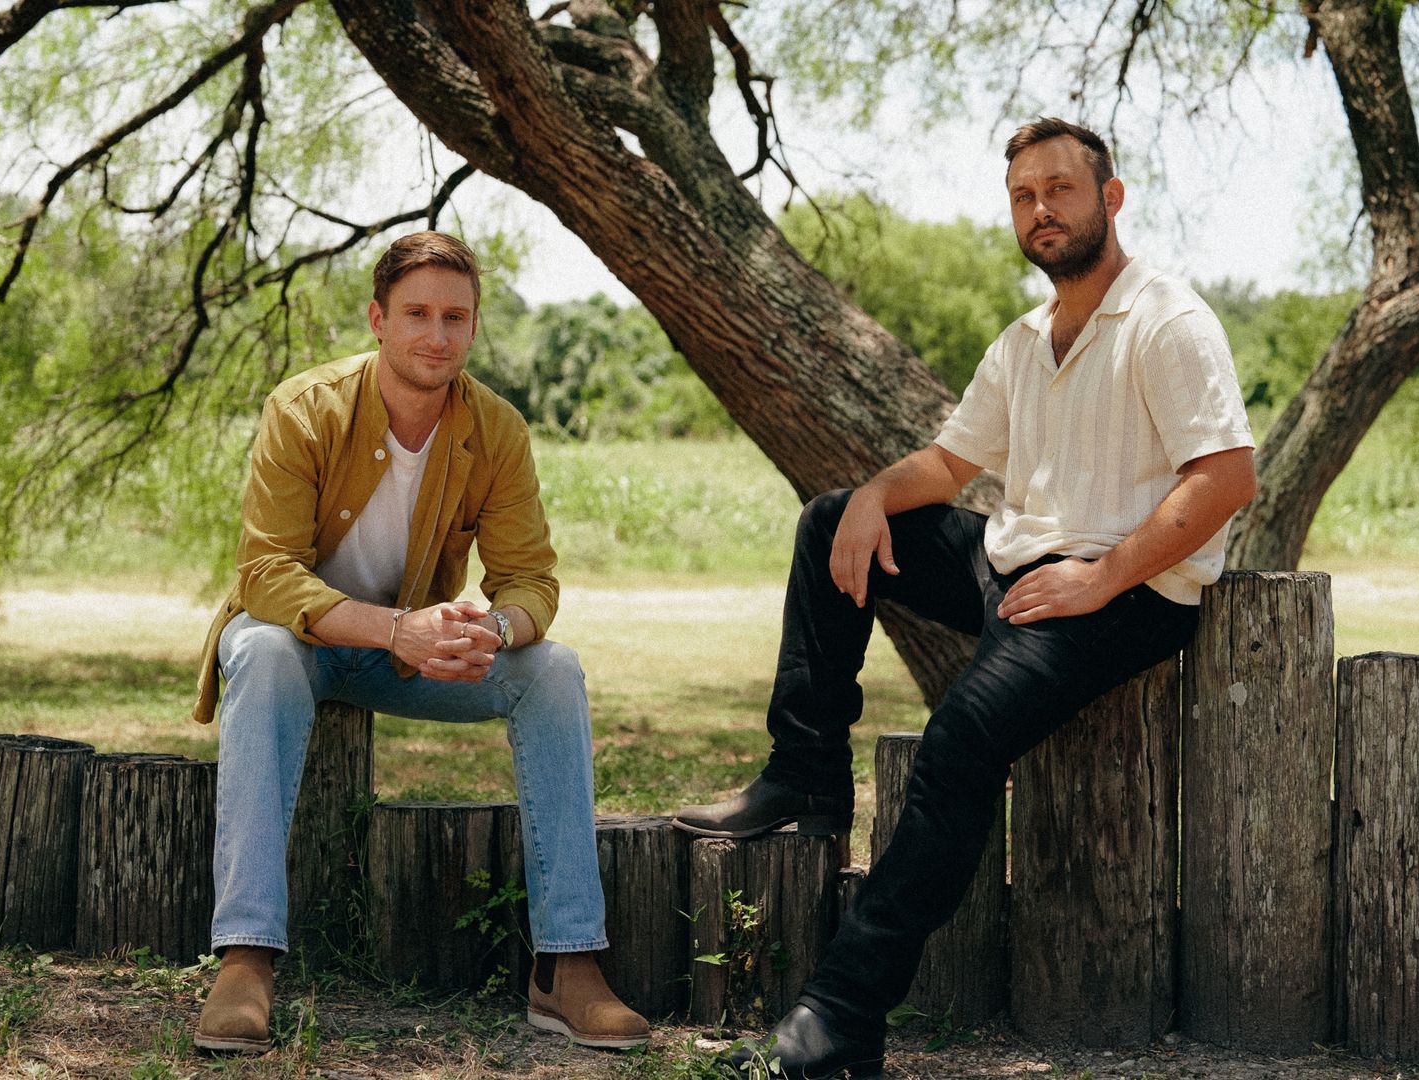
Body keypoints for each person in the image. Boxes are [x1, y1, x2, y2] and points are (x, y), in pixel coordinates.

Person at [675, 118, 1258, 1078]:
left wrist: (1102, 576)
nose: (1042, 210)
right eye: (1025, 196)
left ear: (1110, 198)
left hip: (1126, 593)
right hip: (1014, 564)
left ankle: (839, 1020)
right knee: (830, 524)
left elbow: (1226, 477)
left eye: (1061, 189)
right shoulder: (1026, 340)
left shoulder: (1168, 320)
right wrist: (873, 496)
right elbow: (949, 464)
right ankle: (807, 772)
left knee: (959, 742)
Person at [189, 231, 648, 1054]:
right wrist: (396, 628)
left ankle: (567, 964)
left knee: (553, 671)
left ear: (473, 326)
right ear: (378, 319)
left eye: (455, 317)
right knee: (258, 649)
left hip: (413, 657)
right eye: (417, 314)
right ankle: (246, 959)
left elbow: (531, 582)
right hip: (303, 646)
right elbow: (265, 574)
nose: (436, 335)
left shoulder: (496, 429)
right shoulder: (304, 407)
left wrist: (490, 629)